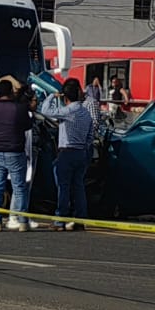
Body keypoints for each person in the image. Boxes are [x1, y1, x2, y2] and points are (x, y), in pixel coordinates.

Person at [41, 79, 92, 231]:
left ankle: (60, 220)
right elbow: (90, 136)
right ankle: (80, 219)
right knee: (79, 186)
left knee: (63, 187)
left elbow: (45, 111)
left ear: (65, 97)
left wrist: (51, 96)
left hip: (67, 151)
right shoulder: (86, 113)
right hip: (81, 152)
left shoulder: (68, 111)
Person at [0, 77, 34, 231]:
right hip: (15, 152)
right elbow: (28, 125)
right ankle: (22, 222)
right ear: (11, 92)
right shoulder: (18, 108)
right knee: (19, 187)